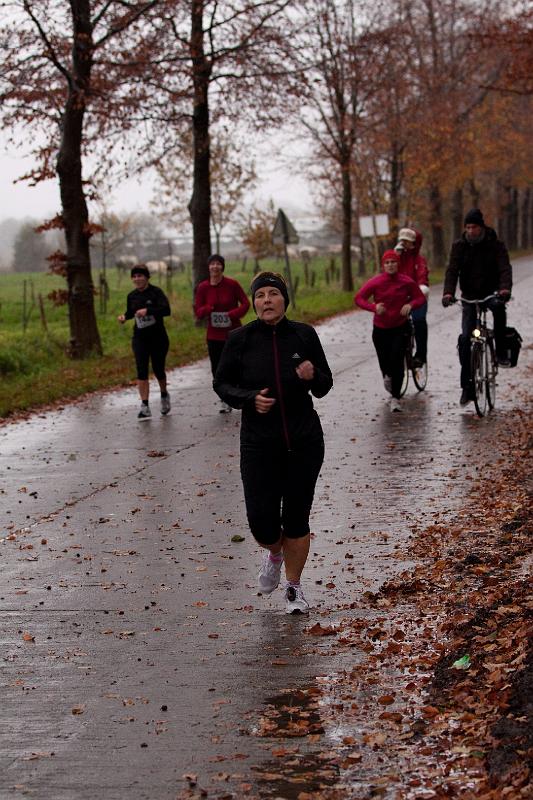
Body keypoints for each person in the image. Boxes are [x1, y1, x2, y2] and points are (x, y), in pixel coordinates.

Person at [214, 272, 333, 614]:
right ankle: (274, 553)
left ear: (284, 300)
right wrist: (250, 398)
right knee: (261, 522)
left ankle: (294, 589)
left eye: (273, 294)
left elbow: (324, 385)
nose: (266, 300)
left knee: (296, 519)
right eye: (261, 295)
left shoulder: (303, 335)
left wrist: (313, 376)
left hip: (304, 441)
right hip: (258, 445)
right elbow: (222, 385)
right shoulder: (240, 339)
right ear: (254, 302)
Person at [442, 208, 512, 406]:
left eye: (473, 227)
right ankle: (467, 388)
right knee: (466, 338)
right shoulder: (460, 246)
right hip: (469, 296)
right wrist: (448, 292)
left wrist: (504, 289)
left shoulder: (495, 245)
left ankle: (500, 351)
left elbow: (505, 268)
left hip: (491, 292)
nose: (470, 230)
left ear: (481, 227)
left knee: (498, 309)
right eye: (467, 227)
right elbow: (452, 271)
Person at [354, 250, 426, 412]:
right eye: (387, 263)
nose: (390, 265)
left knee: (397, 359)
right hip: (380, 329)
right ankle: (387, 376)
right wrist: (374, 307)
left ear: (398, 264)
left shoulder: (406, 282)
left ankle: (395, 397)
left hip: (401, 327)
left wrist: (410, 305)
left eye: (393, 262)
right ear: (383, 265)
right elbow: (358, 298)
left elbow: (420, 298)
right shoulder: (376, 282)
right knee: (385, 361)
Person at [194, 254, 250, 412]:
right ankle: (225, 399)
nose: (215, 267)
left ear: (222, 267)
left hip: (233, 333)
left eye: (218, 264)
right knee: (217, 368)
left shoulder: (232, 284)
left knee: (236, 365)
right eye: (212, 264)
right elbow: (198, 312)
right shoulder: (203, 287)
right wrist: (208, 308)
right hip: (213, 336)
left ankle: (240, 394)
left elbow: (246, 304)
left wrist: (232, 314)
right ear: (208, 267)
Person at [117, 264, 171, 419]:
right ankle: (145, 405)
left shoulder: (156, 292)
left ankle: (164, 395)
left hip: (158, 337)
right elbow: (130, 312)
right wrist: (124, 317)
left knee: (158, 369)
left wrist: (148, 311)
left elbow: (167, 310)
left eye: (140, 276)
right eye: (134, 276)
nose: (137, 279)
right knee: (141, 370)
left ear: (147, 277)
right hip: (140, 338)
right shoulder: (132, 296)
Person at [394, 227, 430, 366]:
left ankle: (421, 355)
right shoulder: (396, 258)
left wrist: (421, 288)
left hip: (417, 296)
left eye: (407, 241)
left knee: (419, 320)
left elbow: (422, 275)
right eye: (402, 241)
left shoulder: (419, 260)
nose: (405, 244)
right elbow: (388, 272)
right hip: (400, 297)